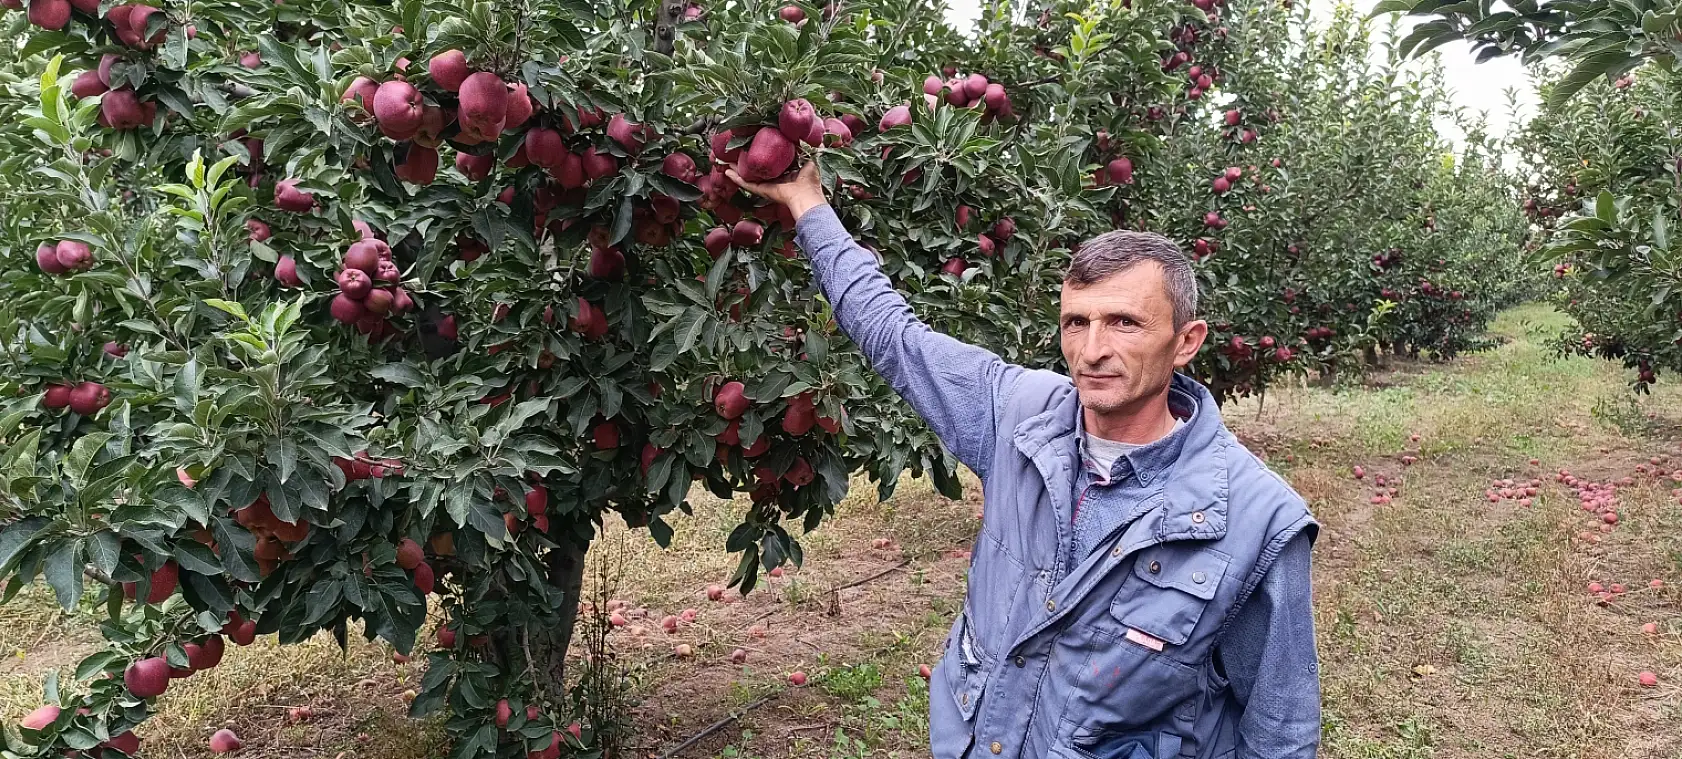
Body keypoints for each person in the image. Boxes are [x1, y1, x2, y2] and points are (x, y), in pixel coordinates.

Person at [726, 163, 1321, 759]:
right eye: (1075, 323)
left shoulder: (1257, 522)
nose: (1092, 351)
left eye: (1124, 324)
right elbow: (893, 334)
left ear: (1186, 341)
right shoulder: (1017, 415)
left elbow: (1280, 733)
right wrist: (806, 201)